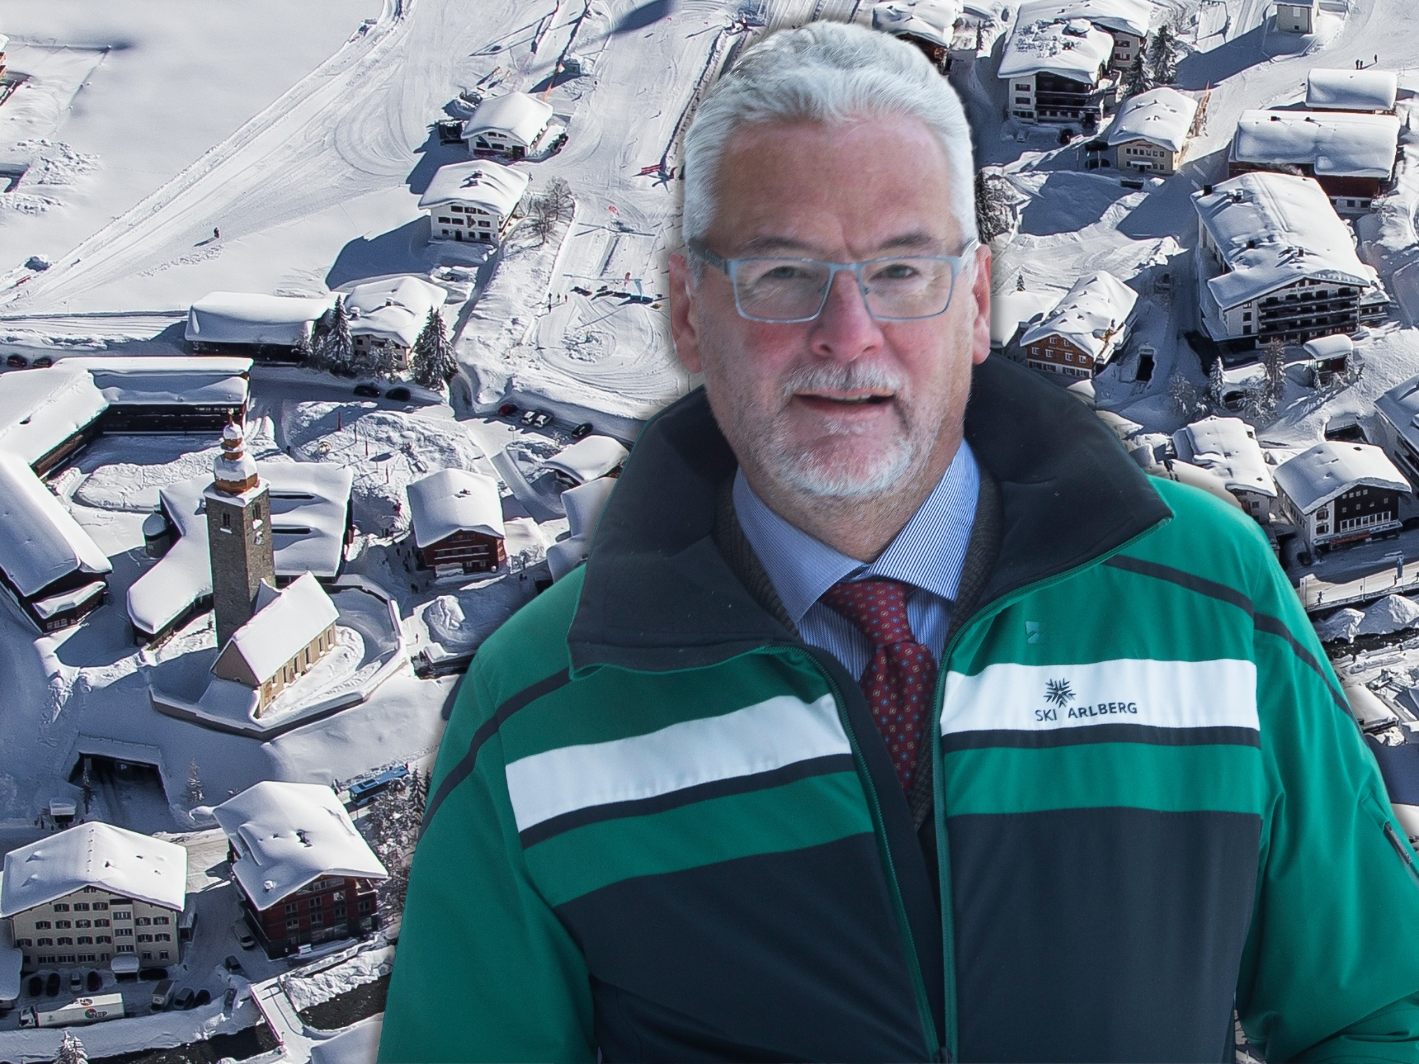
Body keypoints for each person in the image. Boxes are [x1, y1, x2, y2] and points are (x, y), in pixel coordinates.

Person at [379, 21, 1419, 1062]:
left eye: (902, 268)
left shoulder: (1201, 596)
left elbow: (1380, 1008)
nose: (848, 332)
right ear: (690, 312)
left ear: (974, 301)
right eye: (783, 272)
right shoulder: (541, 705)